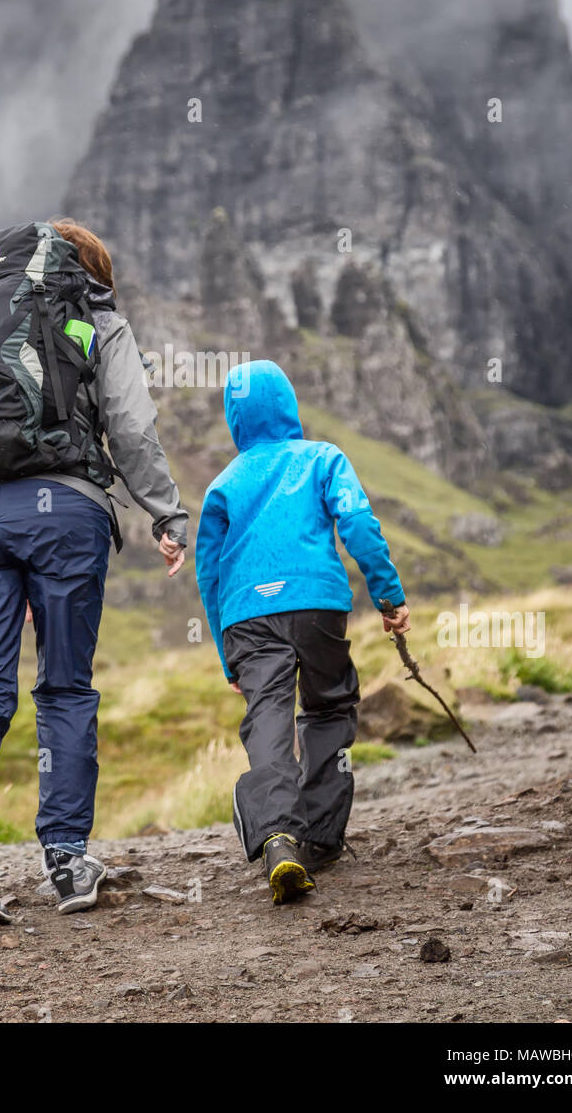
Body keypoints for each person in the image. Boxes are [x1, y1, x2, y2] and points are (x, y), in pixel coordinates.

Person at [0, 219, 187, 927]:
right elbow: (130, 427)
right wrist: (166, 514)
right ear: (92, 270)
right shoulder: (96, 316)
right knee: (65, 686)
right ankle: (68, 862)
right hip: (63, 511)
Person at [194, 359, 409, 905]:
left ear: (233, 418)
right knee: (328, 707)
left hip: (246, 614)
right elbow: (359, 521)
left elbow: (209, 572)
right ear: (289, 405)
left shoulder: (223, 483)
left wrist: (227, 656)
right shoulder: (322, 458)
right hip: (317, 604)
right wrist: (388, 596)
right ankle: (322, 837)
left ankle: (277, 838)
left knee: (267, 718)